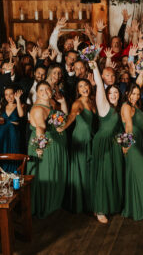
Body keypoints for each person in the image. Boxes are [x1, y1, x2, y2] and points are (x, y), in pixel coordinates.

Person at [27, 82, 68, 218]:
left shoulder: (51, 103)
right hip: (45, 144)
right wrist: (40, 146)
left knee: (54, 174)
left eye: (47, 89)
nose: (45, 92)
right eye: (41, 90)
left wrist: (62, 102)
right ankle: (43, 206)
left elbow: (63, 118)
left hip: (54, 144)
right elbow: (40, 128)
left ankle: (53, 205)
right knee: (46, 175)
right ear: (37, 93)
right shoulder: (38, 109)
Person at [90, 61, 124, 223]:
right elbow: (99, 87)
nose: (113, 95)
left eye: (116, 93)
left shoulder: (119, 108)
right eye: (111, 93)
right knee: (103, 175)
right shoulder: (104, 106)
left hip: (114, 144)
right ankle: (100, 209)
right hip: (103, 143)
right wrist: (95, 67)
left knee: (113, 174)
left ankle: (111, 204)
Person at [120, 84, 143, 220]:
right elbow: (128, 125)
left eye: (137, 94)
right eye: (132, 94)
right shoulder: (125, 106)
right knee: (140, 175)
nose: (135, 96)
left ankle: (142, 207)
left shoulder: (136, 106)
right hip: (133, 144)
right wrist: (127, 143)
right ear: (127, 93)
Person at [65, 78, 95, 214]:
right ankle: (80, 204)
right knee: (81, 169)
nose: (84, 88)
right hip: (80, 139)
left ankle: (90, 202)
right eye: (81, 86)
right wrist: (63, 126)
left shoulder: (92, 100)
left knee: (90, 171)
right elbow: (72, 115)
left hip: (91, 137)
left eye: (86, 85)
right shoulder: (77, 103)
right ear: (77, 90)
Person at [0, 87, 25, 158]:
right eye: (6, 95)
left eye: (11, 94)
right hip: (0, 133)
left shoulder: (20, 105)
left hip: (13, 133)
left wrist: (17, 100)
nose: (9, 97)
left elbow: (21, 114)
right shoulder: (1, 105)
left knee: (13, 154)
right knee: (0, 154)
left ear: (15, 94)